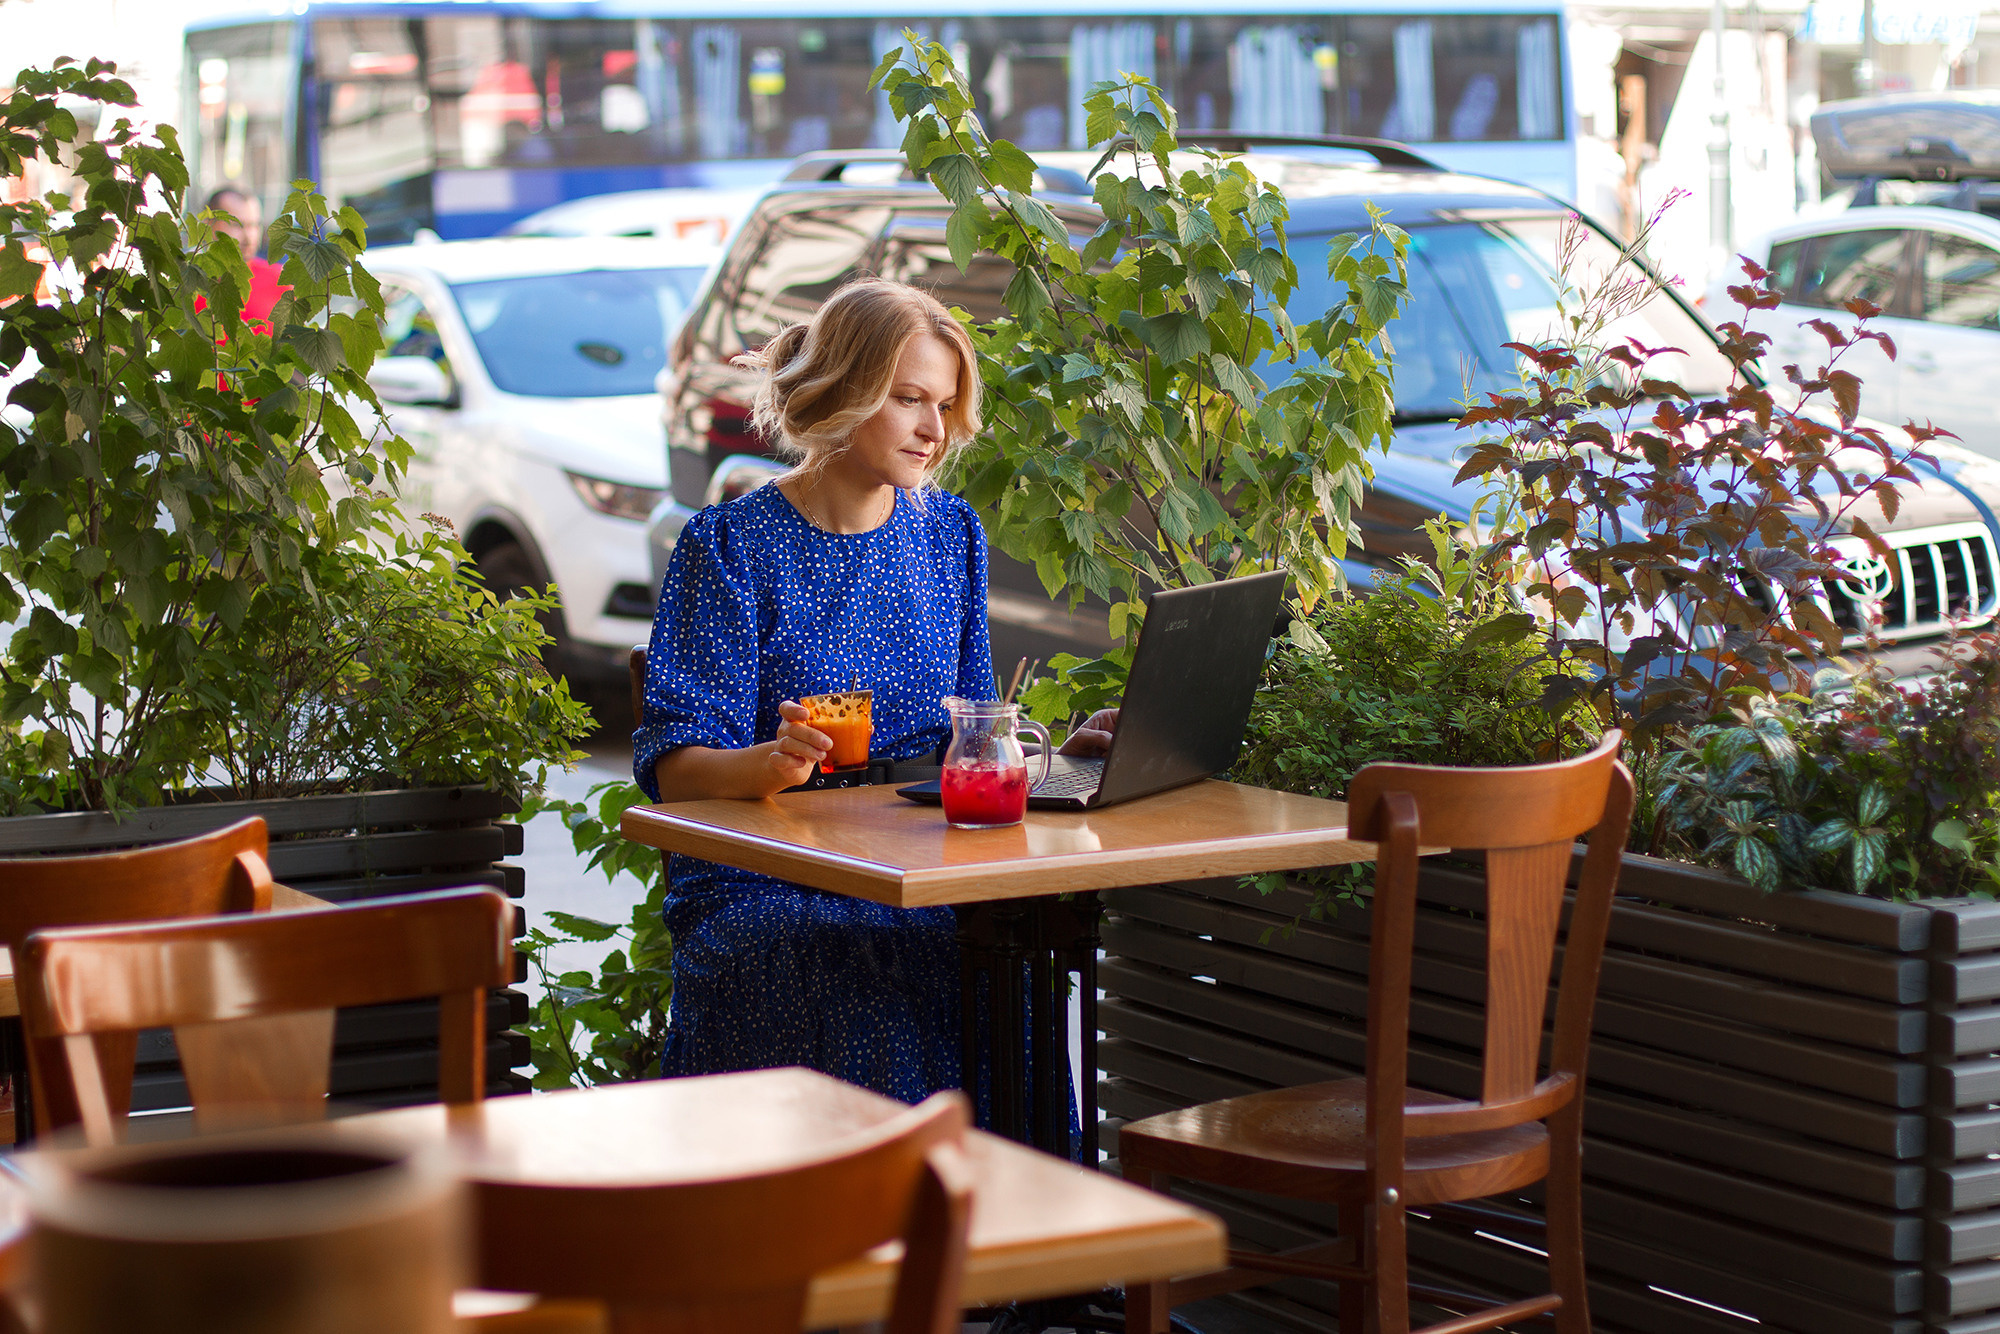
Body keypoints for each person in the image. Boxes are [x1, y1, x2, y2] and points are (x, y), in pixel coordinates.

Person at [632, 277, 1111, 1103]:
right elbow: (674, 771)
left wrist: (1051, 761)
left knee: (1019, 947)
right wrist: (768, 765)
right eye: (909, 399)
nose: (933, 430)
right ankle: (880, 1218)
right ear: (844, 394)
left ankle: (1008, 1216)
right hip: (770, 873)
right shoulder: (731, 544)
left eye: (946, 404)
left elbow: (970, 728)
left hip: (924, 860)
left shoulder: (949, 530)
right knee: (856, 950)